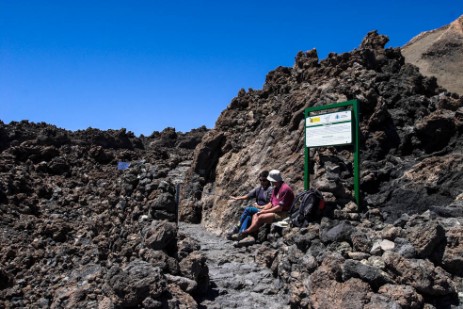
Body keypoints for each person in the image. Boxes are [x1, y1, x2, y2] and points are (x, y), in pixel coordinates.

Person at [239, 169, 294, 238]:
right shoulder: (276, 188)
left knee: (261, 217)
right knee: (256, 215)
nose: (270, 181)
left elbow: (279, 208)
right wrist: (262, 210)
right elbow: (270, 203)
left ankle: (246, 232)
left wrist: (265, 211)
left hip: (284, 213)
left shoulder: (285, 189)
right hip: (275, 211)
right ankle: (252, 235)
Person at [227, 170, 273, 239]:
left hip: (265, 210)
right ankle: (241, 234)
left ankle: (237, 227)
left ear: (268, 180)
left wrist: (260, 206)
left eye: (264, 180)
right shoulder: (258, 188)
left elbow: (271, 204)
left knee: (248, 209)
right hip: (257, 209)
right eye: (260, 180)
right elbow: (248, 196)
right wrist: (237, 198)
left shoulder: (271, 190)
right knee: (248, 217)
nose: (262, 182)